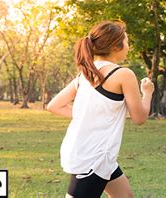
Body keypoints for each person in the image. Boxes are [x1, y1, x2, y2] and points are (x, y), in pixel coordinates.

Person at [46, 20, 154, 198]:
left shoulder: (86, 74)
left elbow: (54, 106)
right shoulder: (123, 74)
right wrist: (147, 93)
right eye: (126, 42)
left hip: (98, 154)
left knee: (125, 196)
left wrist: (87, 116)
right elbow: (139, 118)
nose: (128, 47)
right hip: (93, 158)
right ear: (115, 46)